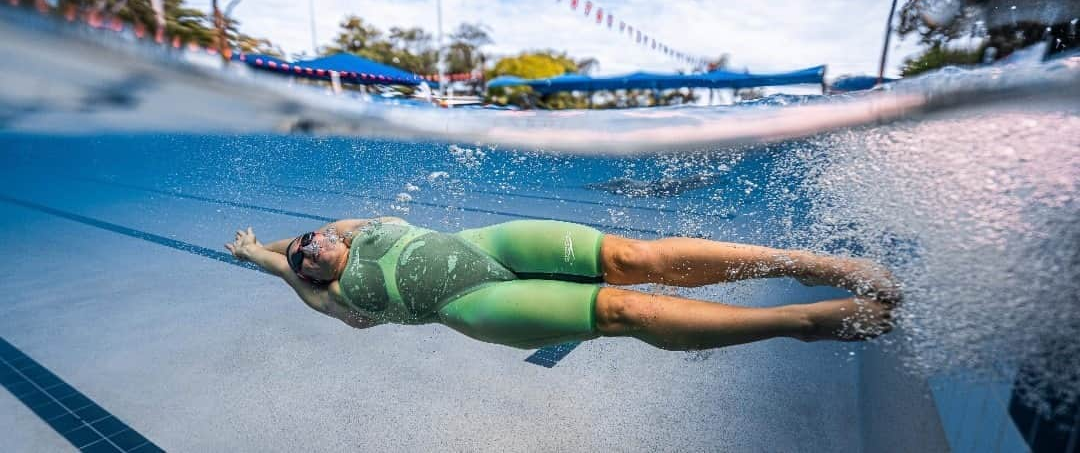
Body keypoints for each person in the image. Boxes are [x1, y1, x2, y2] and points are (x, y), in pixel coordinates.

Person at [225, 218, 899, 350]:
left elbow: (298, 240)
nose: (311, 250)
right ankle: (799, 322)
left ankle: (797, 262)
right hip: (472, 304)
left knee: (634, 257)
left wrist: (281, 242)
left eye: (311, 240)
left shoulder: (356, 227)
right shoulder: (333, 296)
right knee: (622, 310)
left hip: (487, 244)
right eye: (304, 258)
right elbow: (291, 270)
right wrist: (262, 256)